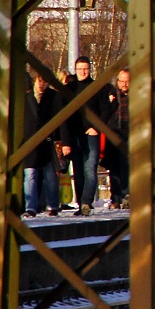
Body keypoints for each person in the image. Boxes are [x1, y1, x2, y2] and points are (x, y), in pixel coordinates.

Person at [23, 70, 71, 218]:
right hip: (29, 142)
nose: (42, 84)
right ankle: (30, 207)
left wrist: (65, 142)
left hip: (49, 142)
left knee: (50, 175)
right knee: (30, 174)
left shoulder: (55, 97)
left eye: (44, 81)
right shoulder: (26, 98)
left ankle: (53, 205)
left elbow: (62, 121)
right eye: (39, 81)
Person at [68, 56, 103, 216]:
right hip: (75, 134)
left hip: (91, 134)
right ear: (75, 70)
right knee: (78, 171)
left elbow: (106, 109)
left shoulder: (96, 87)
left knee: (90, 168)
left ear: (90, 70)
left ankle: (86, 202)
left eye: (86, 69)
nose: (83, 72)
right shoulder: (70, 88)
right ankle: (81, 203)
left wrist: (96, 127)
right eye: (80, 69)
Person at [102, 68, 130, 210]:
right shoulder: (112, 95)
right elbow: (104, 114)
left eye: (127, 81)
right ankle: (115, 196)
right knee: (114, 167)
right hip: (113, 132)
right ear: (117, 81)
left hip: (129, 132)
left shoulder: (135, 97)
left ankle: (125, 195)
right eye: (122, 81)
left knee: (126, 165)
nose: (124, 84)